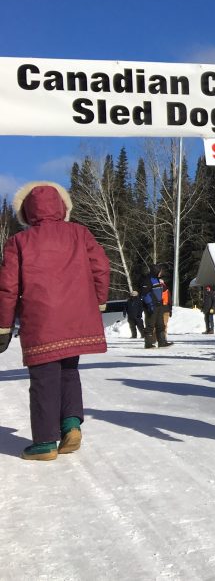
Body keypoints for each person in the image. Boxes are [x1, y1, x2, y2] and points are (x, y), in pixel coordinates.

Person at [0, 181, 110, 460]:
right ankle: (71, 424)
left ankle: (45, 443)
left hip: (41, 320)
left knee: (44, 378)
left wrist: (3, 325)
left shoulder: (18, 242)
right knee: (69, 371)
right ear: (63, 207)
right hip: (75, 319)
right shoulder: (80, 233)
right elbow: (101, 267)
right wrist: (98, 300)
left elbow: (8, 287)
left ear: (26, 212)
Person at [139, 264, 171, 349]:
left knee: (160, 325)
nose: (161, 273)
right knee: (150, 325)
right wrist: (150, 305)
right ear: (156, 271)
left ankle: (162, 342)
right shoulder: (147, 280)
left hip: (159, 305)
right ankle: (148, 344)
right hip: (151, 306)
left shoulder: (156, 279)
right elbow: (144, 294)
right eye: (160, 271)